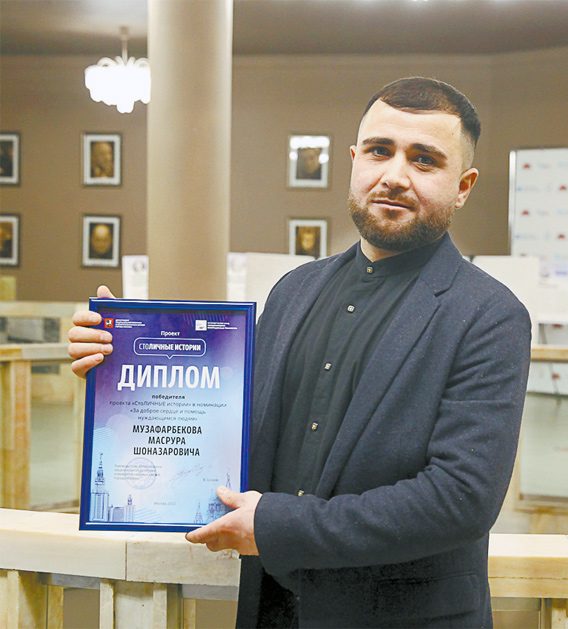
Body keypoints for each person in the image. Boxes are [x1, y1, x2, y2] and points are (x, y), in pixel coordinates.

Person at [69, 77, 531, 628]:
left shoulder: (489, 315)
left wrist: (275, 525)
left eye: (424, 159)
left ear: (463, 186)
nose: (394, 175)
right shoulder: (294, 291)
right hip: (273, 611)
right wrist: (127, 373)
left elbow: (460, 499)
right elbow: (228, 429)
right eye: (379, 151)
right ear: (354, 161)